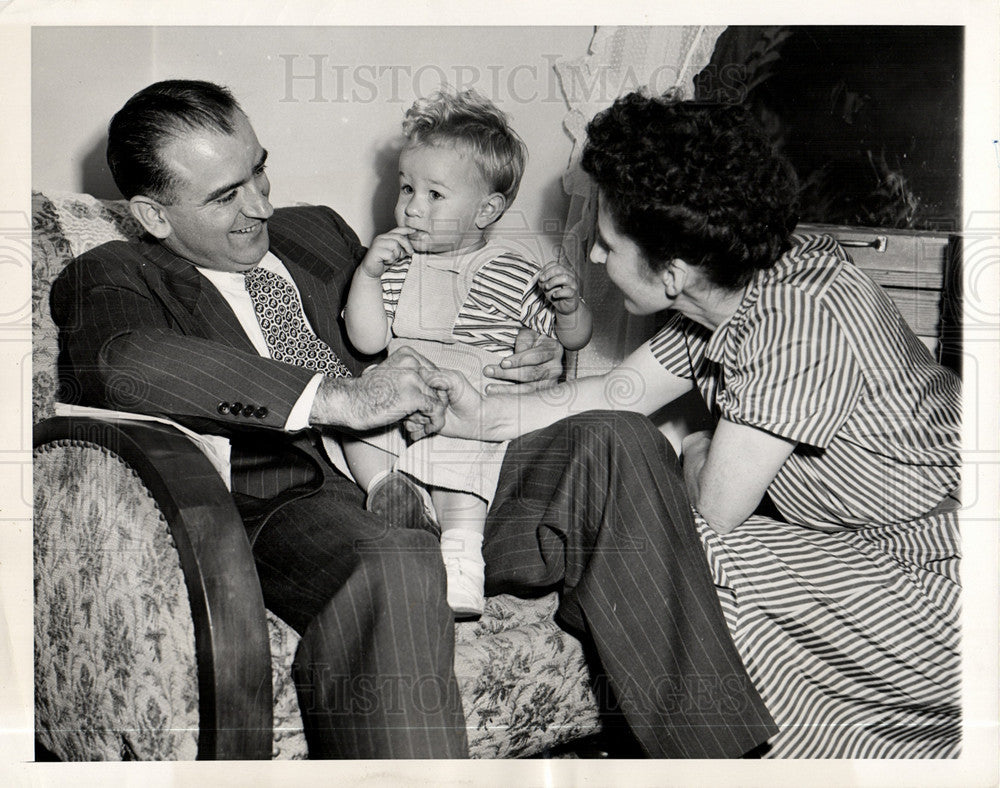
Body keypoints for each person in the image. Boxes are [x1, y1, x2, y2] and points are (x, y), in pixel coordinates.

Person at [51, 79, 777, 759]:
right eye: (227, 196)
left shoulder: (315, 232)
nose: (263, 207)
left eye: (261, 172)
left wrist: (524, 357)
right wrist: (340, 398)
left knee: (620, 439)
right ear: (153, 214)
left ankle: (716, 756)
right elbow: (122, 359)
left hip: (440, 458)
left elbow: (443, 307)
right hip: (297, 501)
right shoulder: (114, 272)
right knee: (395, 558)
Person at [416, 92, 962, 758]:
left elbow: (713, 512)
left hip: (950, 580)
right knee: (652, 542)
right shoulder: (730, 290)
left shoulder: (801, 315)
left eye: (608, 244)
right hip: (871, 552)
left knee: (683, 556)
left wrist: (697, 446)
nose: (592, 258)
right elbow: (614, 391)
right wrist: (483, 412)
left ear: (672, 271)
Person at [343, 88, 593, 617]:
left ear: (487, 209)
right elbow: (367, 341)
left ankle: (461, 556)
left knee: (466, 456)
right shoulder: (395, 263)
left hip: (470, 401)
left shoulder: (514, 270)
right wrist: (367, 274)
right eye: (406, 188)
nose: (411, 206)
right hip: (403, 385)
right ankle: (391, 493)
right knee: (353, 416)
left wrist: (569, 308)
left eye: (435, 195)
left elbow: (568, 341)